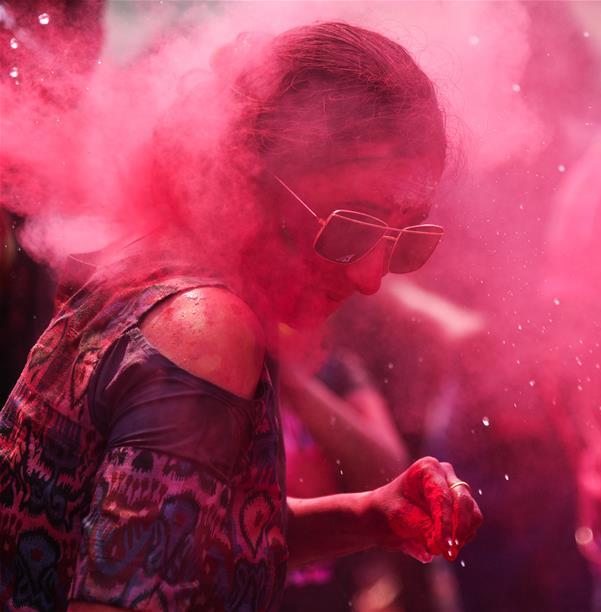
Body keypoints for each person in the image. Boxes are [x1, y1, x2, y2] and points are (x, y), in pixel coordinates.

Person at [0, 21, 482, 611]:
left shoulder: (152, 265)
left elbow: (182, 535)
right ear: (247, 175)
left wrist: (365, 515)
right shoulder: (207, 330)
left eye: (405, 235)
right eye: (351, 224)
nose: (371, 277)